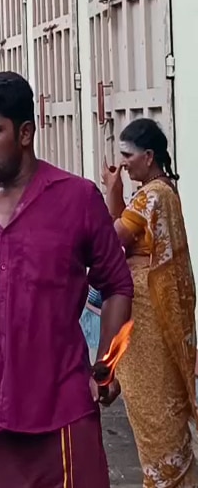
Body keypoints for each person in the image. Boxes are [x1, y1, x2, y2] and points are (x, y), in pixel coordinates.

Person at [0, 72, 133, 488]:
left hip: (63, 410)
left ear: (25, 133)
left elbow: (117, 285)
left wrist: (105, 366)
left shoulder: (77, 200)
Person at [100, 118, 198, 486]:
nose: (123, 162)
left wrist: (110, 188)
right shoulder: (160, 191)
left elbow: (113, 239)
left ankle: (166, 478)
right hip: (148, 311)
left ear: (149, 156)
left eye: (128, 155)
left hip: (148, 317)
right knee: (159, 403)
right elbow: (123, 228)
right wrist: (116, 191)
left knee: (155, 403)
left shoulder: (153, 195)